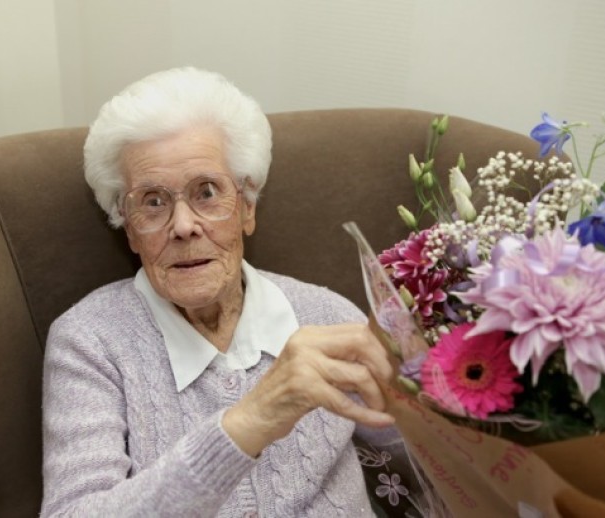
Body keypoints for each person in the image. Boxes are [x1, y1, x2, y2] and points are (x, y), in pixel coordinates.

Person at [40, 67, 412, 517]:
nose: (182, 226)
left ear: (247, 208)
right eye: (153, 202)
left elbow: (425, 463)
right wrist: (249, 422)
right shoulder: (90, 342)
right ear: (129, 230)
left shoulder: (329, 316)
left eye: (207, 192)